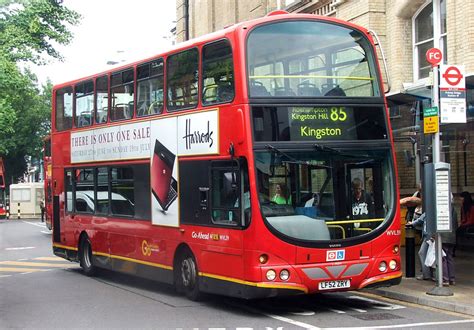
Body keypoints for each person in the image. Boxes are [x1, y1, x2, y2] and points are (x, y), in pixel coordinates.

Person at [407, 212, 434, 281]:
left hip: (428, 236)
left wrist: (412, 223)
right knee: (432, 254)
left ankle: (426, 274)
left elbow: (420, 220)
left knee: (422, 253)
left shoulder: (429, 209)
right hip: (433, 235)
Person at [441, 197, 458, 286]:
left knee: (443, 258)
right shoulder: (454, 210)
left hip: (443, 237)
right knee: (450, 258)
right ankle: (452, 279)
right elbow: (456, 224)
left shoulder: (442, 209)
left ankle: (445, 279)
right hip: (452, 237)